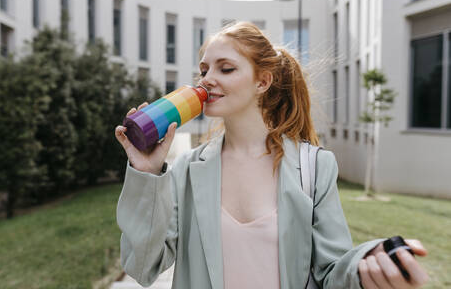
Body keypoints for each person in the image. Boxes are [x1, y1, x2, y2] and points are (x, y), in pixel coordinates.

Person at [114, 22, 428, 289]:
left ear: (262, 81)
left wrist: (367, 262)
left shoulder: (314, 167)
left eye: (226, 68)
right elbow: (143, 267)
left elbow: (332, 272)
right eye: (204, 69)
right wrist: (146, 174)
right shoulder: (186, 170)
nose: (206, 79)